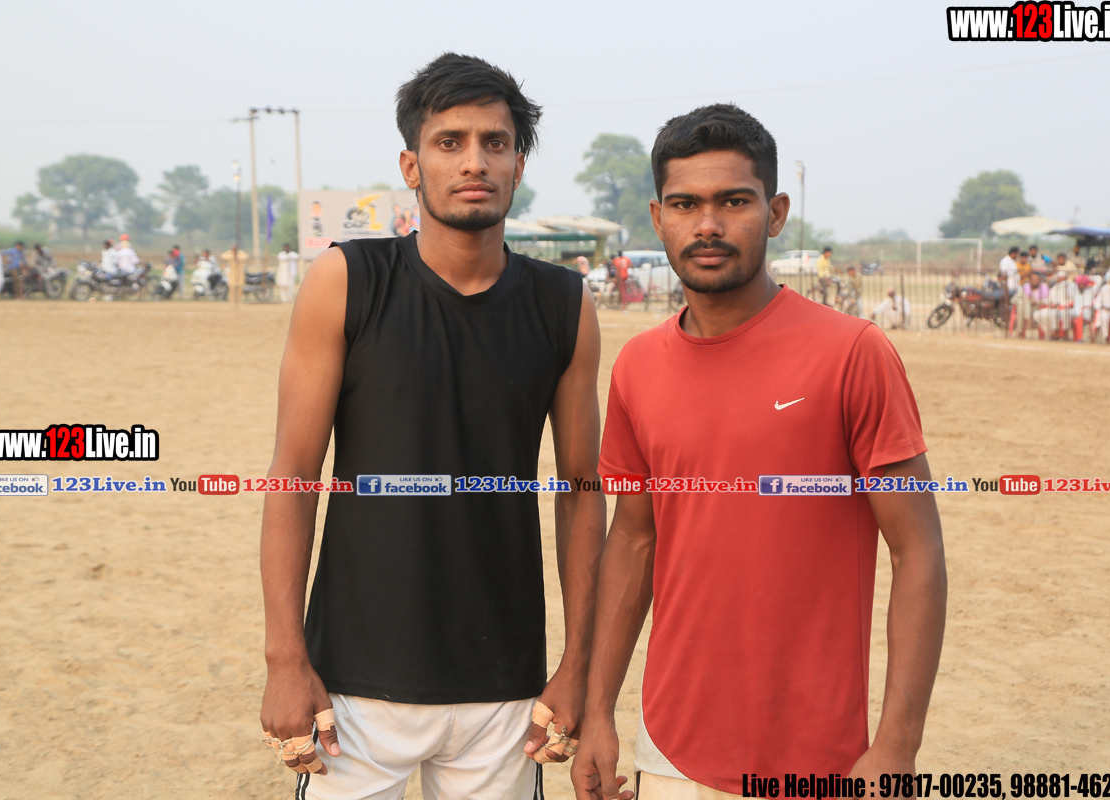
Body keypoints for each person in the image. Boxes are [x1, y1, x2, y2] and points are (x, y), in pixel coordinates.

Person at [571, 103, 945, 800]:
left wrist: (897, 745)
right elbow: (634, 539)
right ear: (658, 218)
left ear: (774, 213)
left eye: (733, 202)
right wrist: (598, 712)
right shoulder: (638, 367)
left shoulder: (852, 353)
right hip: (671, 750)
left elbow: (918, 549)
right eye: (685, 204)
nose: (708, 225)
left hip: (819, 758)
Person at [258, 52, 606, 799]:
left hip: (506, 693)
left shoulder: (563, 303)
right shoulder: (347, 280)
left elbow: (582, 492)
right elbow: (293, 476)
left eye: (494, 142)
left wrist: (578, 667)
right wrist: (286, 659)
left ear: (518, 165)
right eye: (450, 142)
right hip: (353, 685)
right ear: (412, 166)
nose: (474, 161)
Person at [1019, 272, 1049, 338]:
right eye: (1033, 279)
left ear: (1040, 280)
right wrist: (1030, 300)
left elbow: (1046, 300)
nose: (1035, 281)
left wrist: (1036, 301)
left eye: (1036, 279)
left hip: (1038, 307)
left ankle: (1022, 330)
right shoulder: (1025, 286)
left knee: (1022, 306)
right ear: (1030, 280)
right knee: (1022, 304)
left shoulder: (1044, 287)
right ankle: (1028, 319)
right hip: (1026, 307)